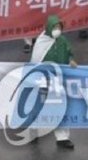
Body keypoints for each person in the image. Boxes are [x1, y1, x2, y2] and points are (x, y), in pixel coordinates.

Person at [29, 16, 77, 149]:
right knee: (39, 105)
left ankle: (62, 137)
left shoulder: (62, 40)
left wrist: (71, 59)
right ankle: (34, 129)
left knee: (60, 106)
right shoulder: (41, 41)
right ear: (49, 27)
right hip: (44, 79)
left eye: (59, 28)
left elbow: (69, 53)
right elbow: (35, 60)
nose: (57, 30)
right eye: (55, 27)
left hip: (59, 79)